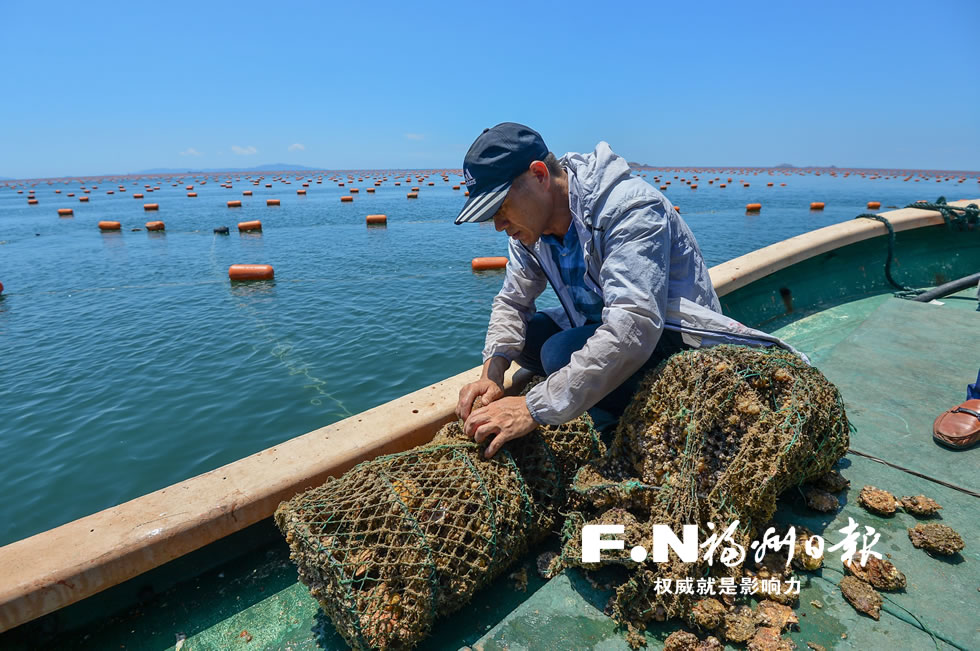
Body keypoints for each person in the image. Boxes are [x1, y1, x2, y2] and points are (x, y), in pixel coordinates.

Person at [454, 122, 804, 458]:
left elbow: (632, 327)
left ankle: (625, 420)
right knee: (527, 340)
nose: (498, 225)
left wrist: (532, 408)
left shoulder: (629, 208)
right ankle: (592, 390)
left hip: (676, 341)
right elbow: (513, 300)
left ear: (540, 176)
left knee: (558, 354)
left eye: (500, 208)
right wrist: (493, 372)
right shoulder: (529, 230)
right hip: (606, 324)